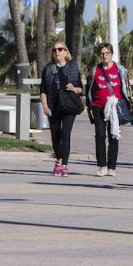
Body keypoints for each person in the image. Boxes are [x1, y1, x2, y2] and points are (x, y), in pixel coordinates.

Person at [85, 42, 133, 177]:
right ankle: (102, 166)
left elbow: (126, 89)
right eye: (102, 53)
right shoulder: (95, 70)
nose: (104, 56)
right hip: (98, 106)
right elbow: (89, 89)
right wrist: (90, 106)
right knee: (100, 136)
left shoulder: (120, 70)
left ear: (111, 54)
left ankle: (112, 167)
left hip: (115, 107)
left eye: (107, 53)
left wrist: (127, 103)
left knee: (114, 135)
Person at [40, 41, 83, 177]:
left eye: (60, 49)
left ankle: (64, 164)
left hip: (69, 106)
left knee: (65, 134)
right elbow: (42, 91)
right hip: (53, 106)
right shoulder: (48, 69)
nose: (57, 52)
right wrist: (45, 106)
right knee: (55, 136)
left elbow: (81, 88)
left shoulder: (73, 67)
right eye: (54, 50)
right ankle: (58, 161)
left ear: (66, 51)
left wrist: (74, 88)